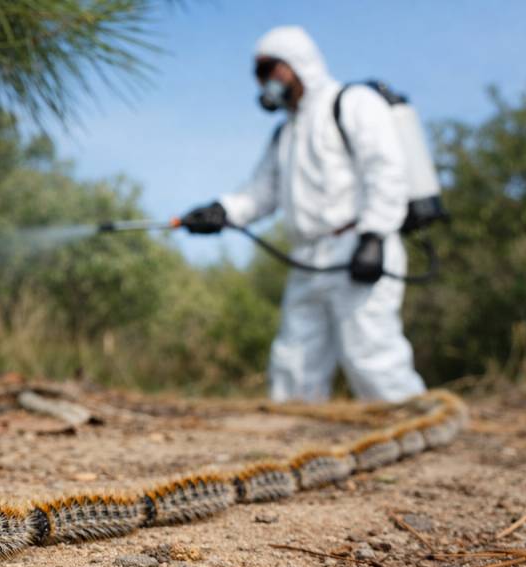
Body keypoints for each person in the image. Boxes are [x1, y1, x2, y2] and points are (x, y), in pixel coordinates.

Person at [181, 25, 426, 403]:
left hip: (357, 245)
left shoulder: (352, 102)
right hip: (307, 259)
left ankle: (418, 433)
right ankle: (294, 449)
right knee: (294, 363)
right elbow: (260, 194)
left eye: (273, 68)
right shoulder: (285, 134)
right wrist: (221, 211)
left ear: (299, 63)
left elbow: (385, 169)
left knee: (372, 356)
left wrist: (375, 236)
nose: (267, 80)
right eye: (260, 73)